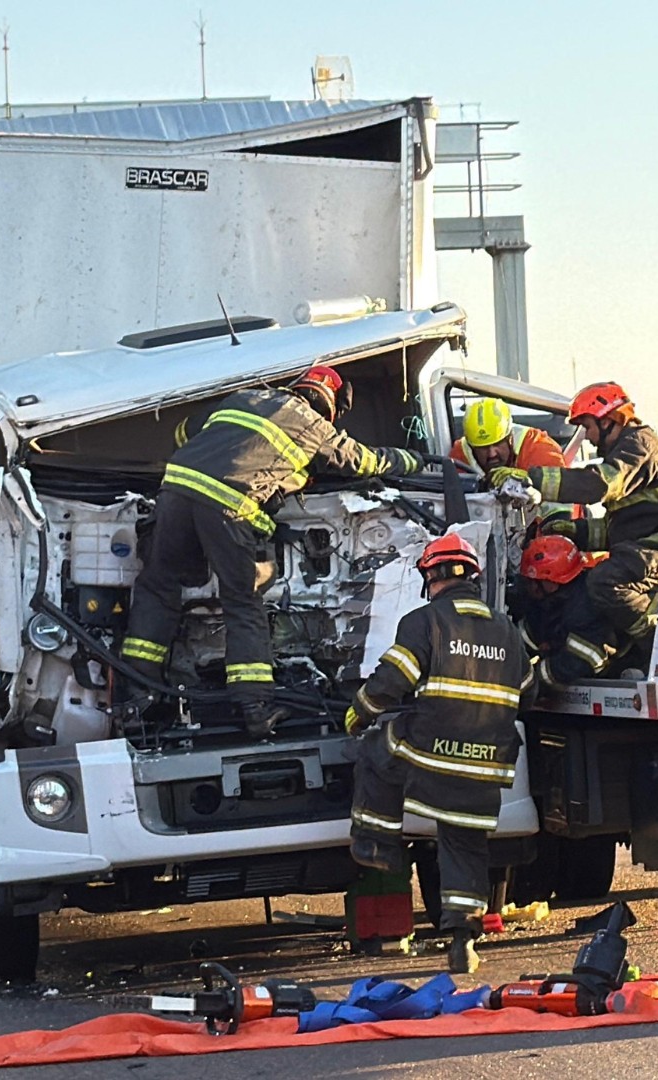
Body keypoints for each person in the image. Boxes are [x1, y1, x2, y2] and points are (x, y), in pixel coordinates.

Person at [120, 365, 424, 735]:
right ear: (329, 405)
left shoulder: (245, 397)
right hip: (229, 505)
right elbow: (363, 462)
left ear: (297, 386)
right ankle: (255, 709)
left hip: (176, 488)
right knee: (242, 601)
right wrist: (412, 460)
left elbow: (184, 431)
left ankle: (137, 696)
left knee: (157, 586)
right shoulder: (314, 425)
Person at [344, 533, 532, 974]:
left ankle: (380, 847)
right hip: (488, 762)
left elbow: (390, 684)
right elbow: (527, 687)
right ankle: (463, 938)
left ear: (431, 576)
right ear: (474, 577)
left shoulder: (423, 621)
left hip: (432, 754)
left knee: (375, 748)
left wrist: (357, 713)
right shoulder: (506, 630)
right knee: (463, 842)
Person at [497, 382, 658, 648]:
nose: (588, 438)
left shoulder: (638, 445)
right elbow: (623, 528)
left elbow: (601, 484)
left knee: (605, 582)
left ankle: (655, 640)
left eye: (588, 427)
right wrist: (576, 531)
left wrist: (532, 479)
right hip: (646, 546)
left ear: (607, 421)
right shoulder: (631, 447)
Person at [514, 535, 621, 688]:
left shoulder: (584, 607)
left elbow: (582, 661)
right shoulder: (553, 598)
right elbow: (532, 630)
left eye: (533, 581)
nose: (530, 587)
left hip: (609, 670)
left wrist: (531, 681)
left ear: (551, 582)